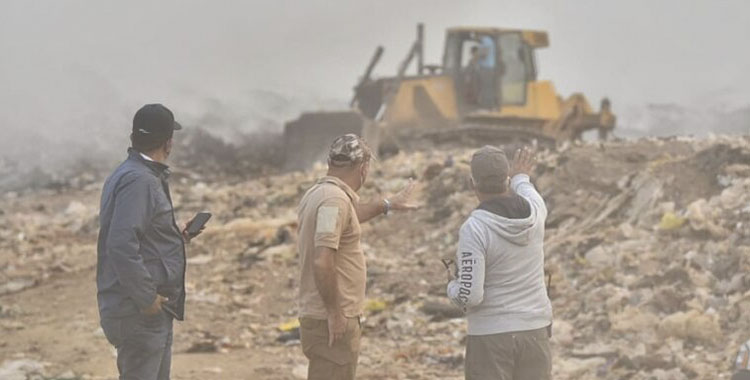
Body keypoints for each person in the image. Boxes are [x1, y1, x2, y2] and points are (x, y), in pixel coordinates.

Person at [296, 134, 417, 380]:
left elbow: (347, 218)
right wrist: (335, 313)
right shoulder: (333, 201)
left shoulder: (321, 194)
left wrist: (387, 204)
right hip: (329, 318)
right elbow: (322, 260)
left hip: (320, 315)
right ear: (363, 168)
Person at [97, 104, 201, 380]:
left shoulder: (131, 173)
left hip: (145, 309)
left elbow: (135, 233)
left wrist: (174, 236)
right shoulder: (140, 180)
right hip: (140, 312)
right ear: (168, 142)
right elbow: (120, 244)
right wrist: (146, 298)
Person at [447, 146, 553, 380]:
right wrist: (521, 175)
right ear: (506, 180)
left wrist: (451, 287)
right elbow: (525, 187)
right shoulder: (536, 211)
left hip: (490, 336)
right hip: (535, 331)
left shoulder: (475, 229)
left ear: (472, 183)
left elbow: (470, 295)